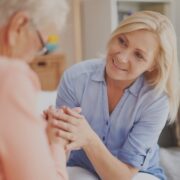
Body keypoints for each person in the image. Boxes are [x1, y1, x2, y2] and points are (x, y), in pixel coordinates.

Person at [46, 11, 180, 180]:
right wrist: (50, 135)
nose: (122, 58)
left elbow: (123, 176)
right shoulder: (75, 78)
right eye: (122, 41)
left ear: (153, 64)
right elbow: (59, 149)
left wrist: (88, 138)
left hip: (137, 174)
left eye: (138, 55)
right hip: (82, 167)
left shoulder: (155, 100)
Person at [0, 0, 69, 179]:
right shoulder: (10, 76)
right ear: (19, 25)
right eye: (40, 46)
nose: (32, 59)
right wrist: (57, 146)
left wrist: (33, 131)